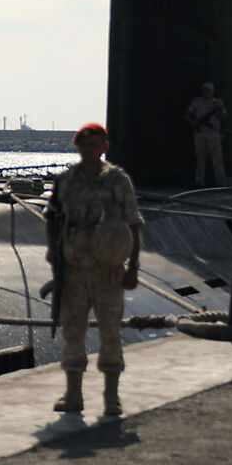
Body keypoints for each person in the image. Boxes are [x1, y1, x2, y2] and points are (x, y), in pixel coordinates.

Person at [45, 123, 144, 417]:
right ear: (78, 147)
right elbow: (52, 215)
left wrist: (134, 266)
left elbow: (133, 223)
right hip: (73, 271)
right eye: (84, 145)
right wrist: (53, 250)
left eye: (95, 145)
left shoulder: (117, 180)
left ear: (104, 147)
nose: (89, 150)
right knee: (72, 332)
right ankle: (73, 394)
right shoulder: (65, 180)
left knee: (110, 331)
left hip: (108, 271)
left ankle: (111, 397)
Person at [184, 82, 227, 186]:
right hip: (200, 132)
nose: (207, 93)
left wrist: (220, 108)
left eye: (209, 91)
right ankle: (199, 181)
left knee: (217, 159)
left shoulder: (217, 102)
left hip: (213, 133)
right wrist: (193, 123)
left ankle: (221, 181)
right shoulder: (197, 102)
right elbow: (187, 115)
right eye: (205, 90)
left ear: (213, 92)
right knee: (200, 159)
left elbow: (224, 118)